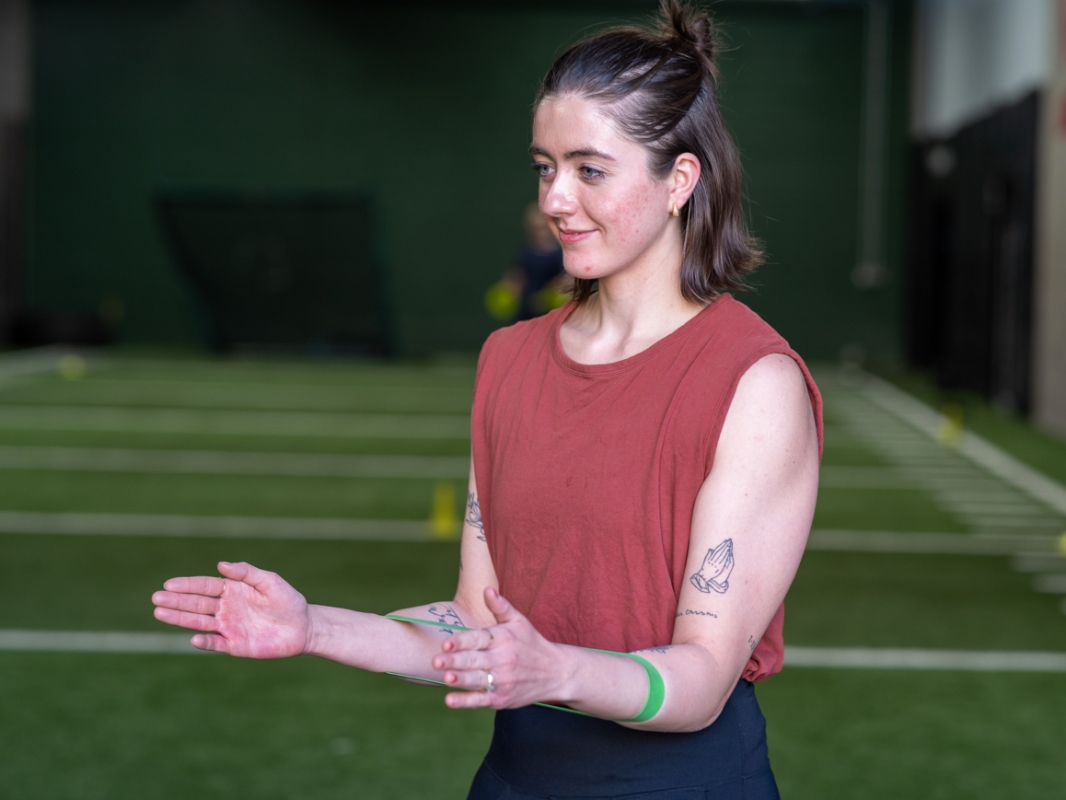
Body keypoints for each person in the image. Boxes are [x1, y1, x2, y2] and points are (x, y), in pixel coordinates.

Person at [151, 3, 822, 797]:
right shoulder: (508, 359)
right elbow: (477, 616)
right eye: (545, 167)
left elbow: (703, 680)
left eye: (590, 169)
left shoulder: (753, 383)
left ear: (679, 180)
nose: (555, 201)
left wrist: (551, 668)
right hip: (515, 778)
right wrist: (313, 628)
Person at [498, 203, 566, 321]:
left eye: (542, 227)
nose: (539, 232)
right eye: (534, 228)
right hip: (527, 314)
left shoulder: (560, 255)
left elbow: (566, 282)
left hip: (552, 316)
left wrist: (549, 296)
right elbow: (517, 276)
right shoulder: (525, 252)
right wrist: (510, 289)